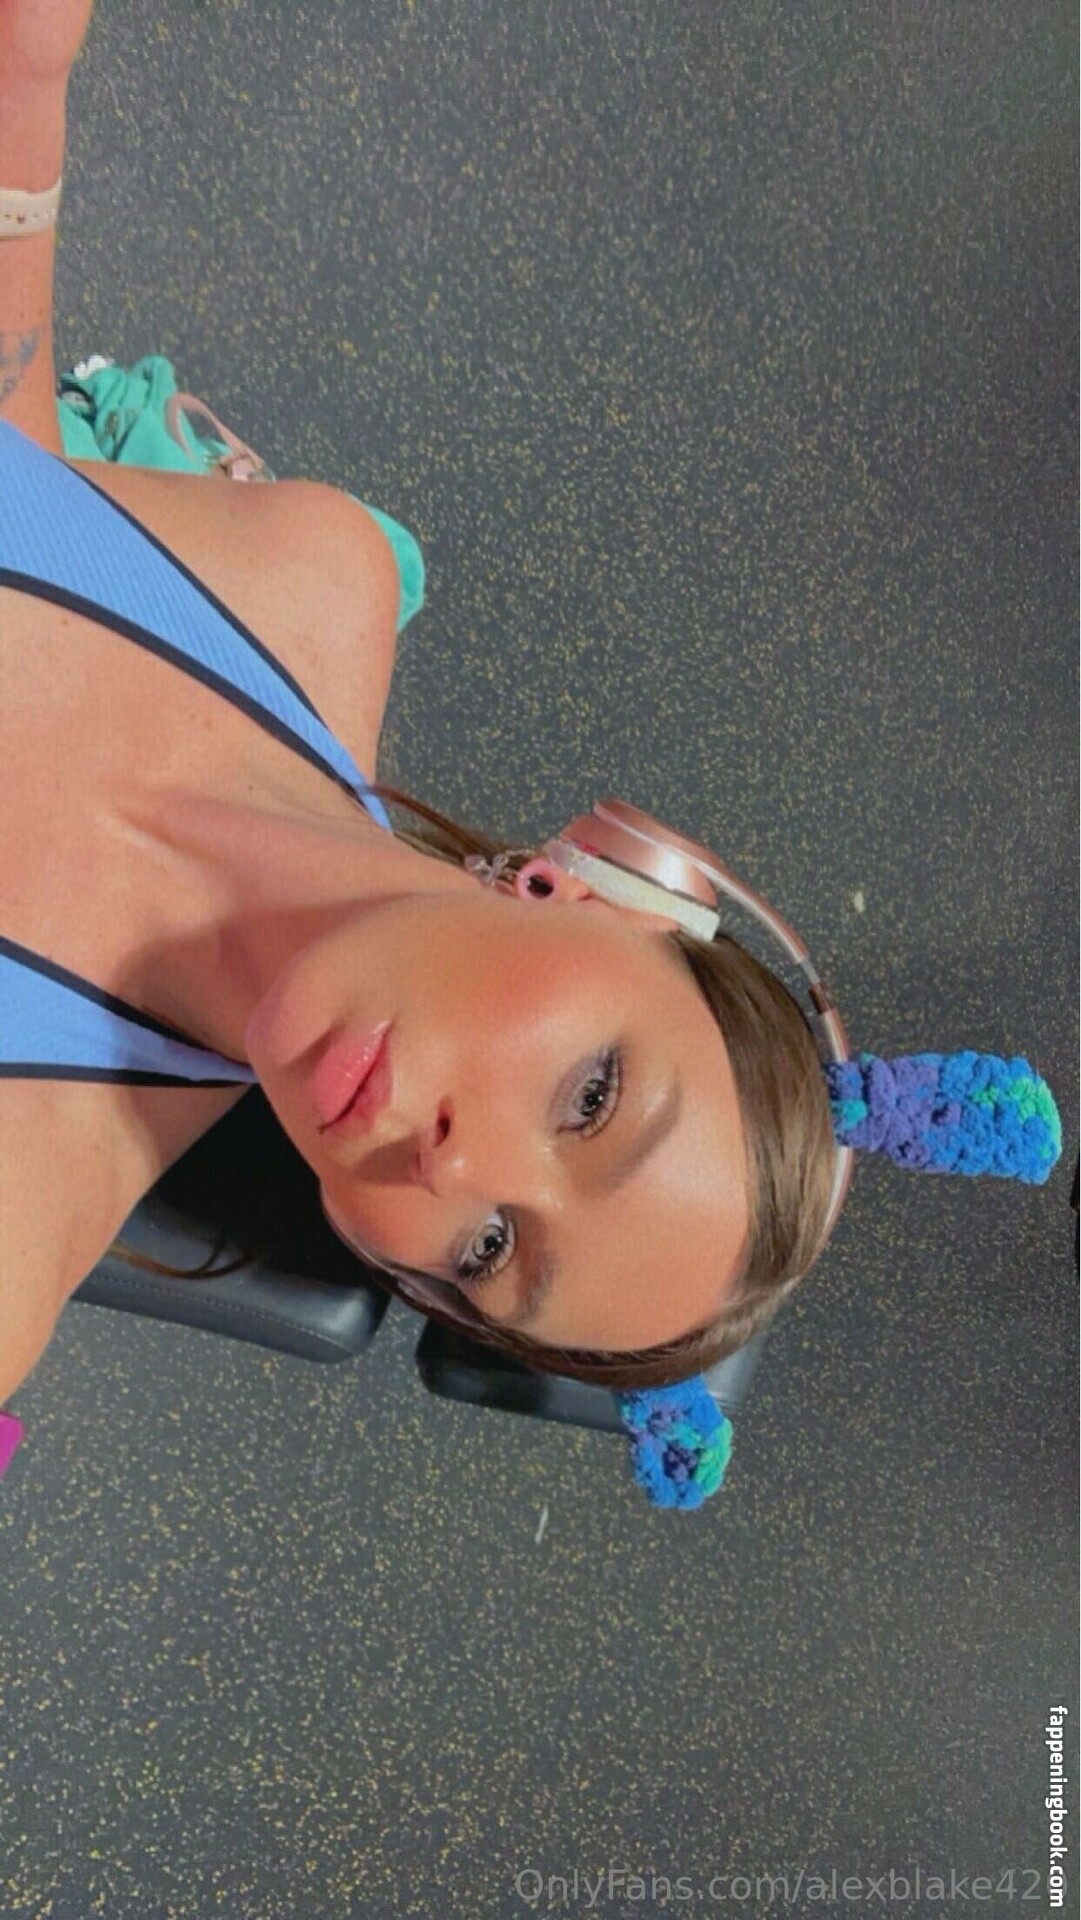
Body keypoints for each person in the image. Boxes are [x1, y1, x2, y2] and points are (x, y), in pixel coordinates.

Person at [0, 2, 1061, 1506]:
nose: (451, 1168)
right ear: (591, 892)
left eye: (492, 1249)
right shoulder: (312, 590)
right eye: (591, 1099)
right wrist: (28, 87)